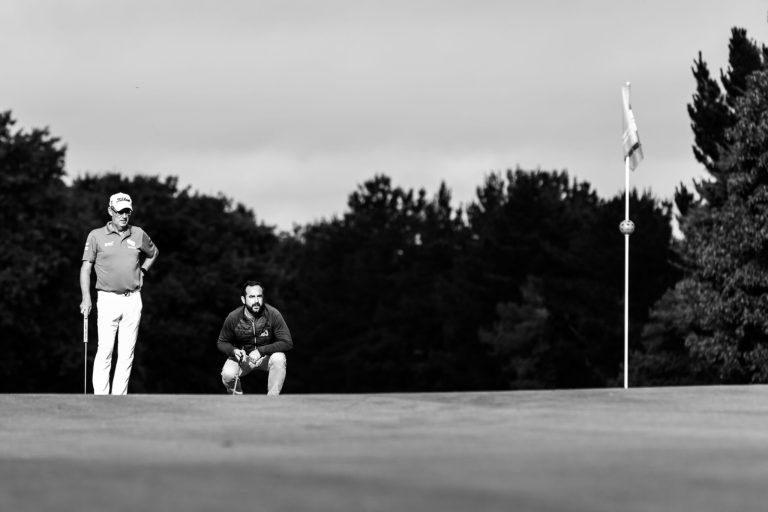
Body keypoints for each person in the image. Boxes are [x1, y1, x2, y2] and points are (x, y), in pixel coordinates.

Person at [79, 192, 159, 395]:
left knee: (126, 354)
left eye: (127, 212)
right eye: (120, 211)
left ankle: (118, 400)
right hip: (107, 299)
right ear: (110, 211)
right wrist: (86, 297)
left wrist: (143, 271)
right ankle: (101, 398)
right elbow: (86, 269)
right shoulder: (96, 236)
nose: (124, 216)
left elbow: (153, 253)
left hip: (132, 299)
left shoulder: (138, 233)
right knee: (105, 350)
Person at [217, 281, 293, 395]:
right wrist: (234, 351)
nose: (256, 301)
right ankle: (237, 401)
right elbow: (222, 342)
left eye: (259, 296)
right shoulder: (233, 317)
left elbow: (287, 342)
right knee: (227, 374)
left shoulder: (273, 314)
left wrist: (260, 351)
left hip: (267, 357)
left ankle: (272, 400)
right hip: (243, 359)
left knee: (279, 358)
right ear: (243, 299)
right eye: (252, 297)